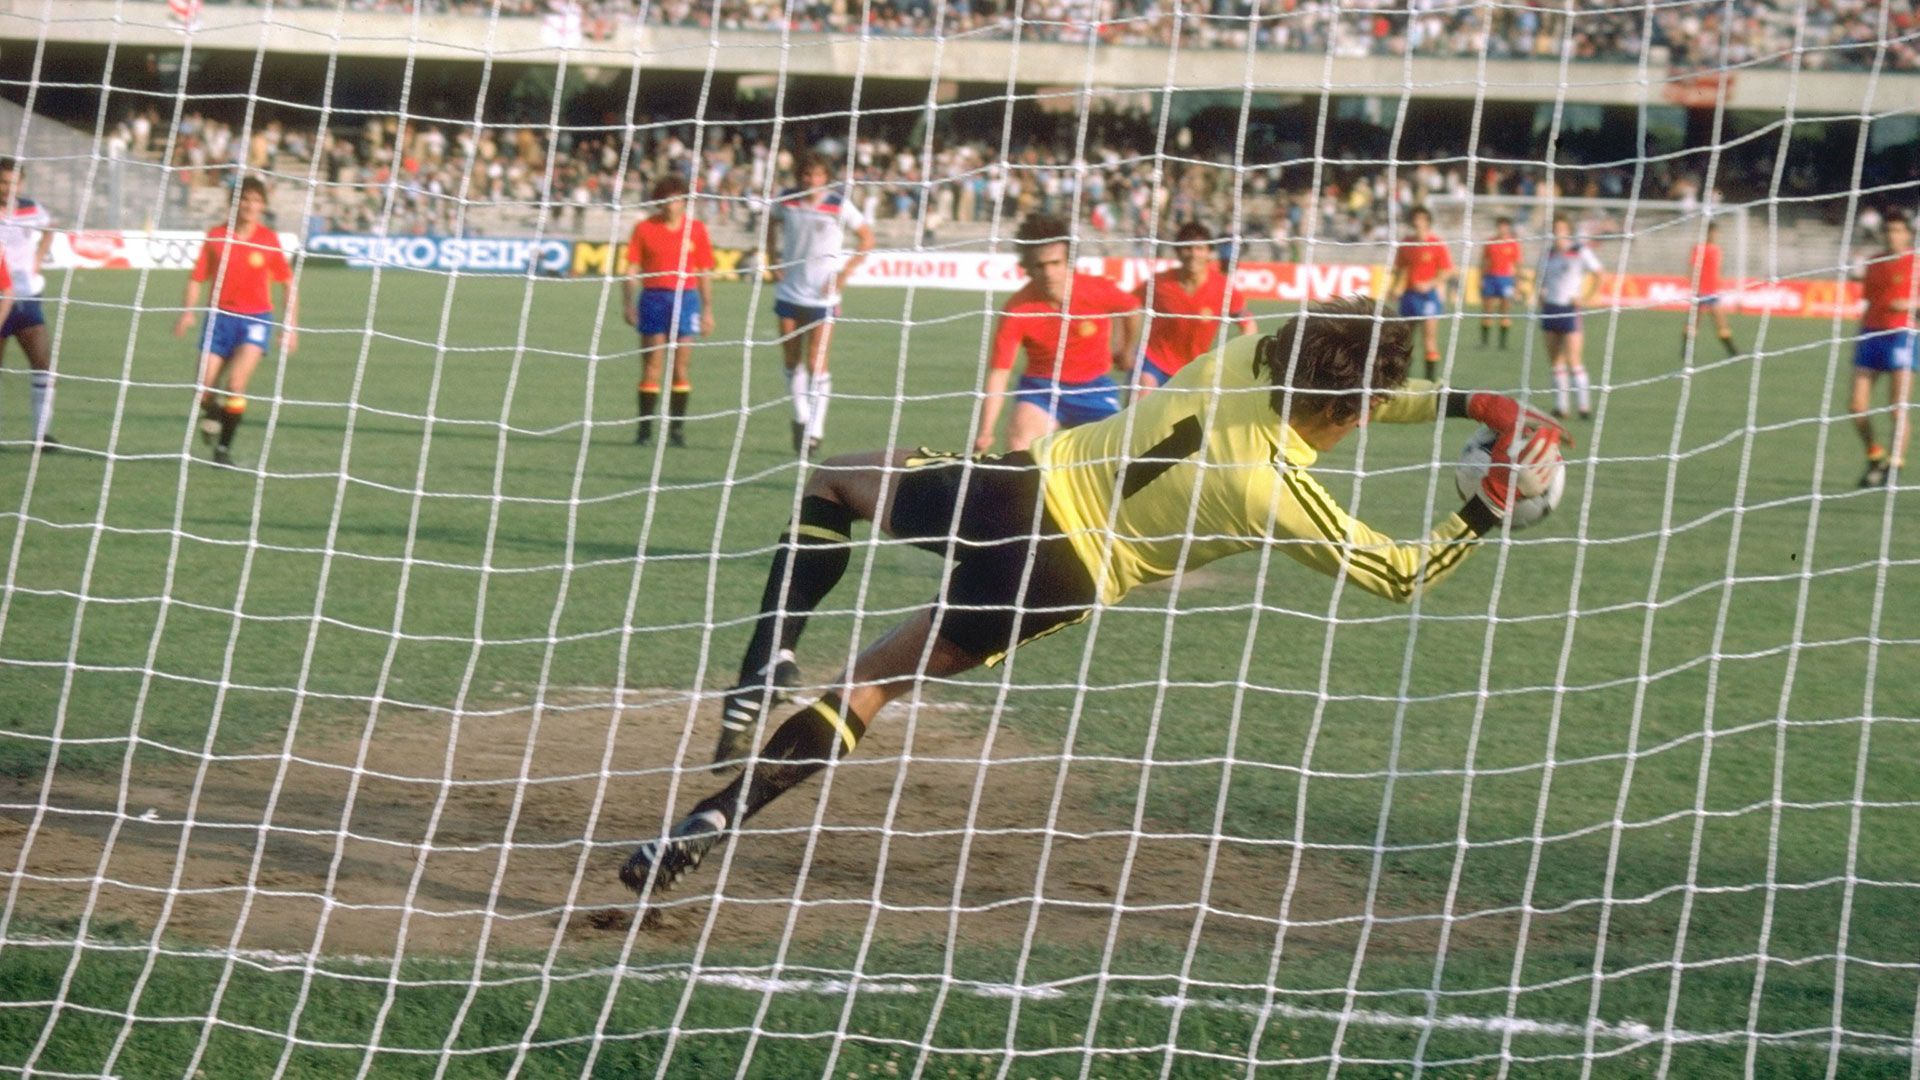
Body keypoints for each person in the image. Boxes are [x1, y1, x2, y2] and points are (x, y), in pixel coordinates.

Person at [624, 297, 1567, 894]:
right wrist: (1485, 499)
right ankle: (709, 822)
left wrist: (1470, 401)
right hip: (1058, 581)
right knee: (872, 687)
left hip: (1014, 494)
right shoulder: (1279, 489)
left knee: (835, 483)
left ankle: (765, 658)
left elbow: (1364, 387)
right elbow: (1401, 572)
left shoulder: (1242, 356)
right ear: (1352, 411)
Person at [972, 214, 1143, 454]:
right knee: (1020, 448)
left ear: (1068, 262)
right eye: (1040, 266)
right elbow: (999, 374)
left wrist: (1125, 349)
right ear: (1027, 269)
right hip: (1041, 390)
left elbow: (1131, 309)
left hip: (1093, 387)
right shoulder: (1017, 309)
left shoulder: (1096, 289)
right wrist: (985, 430)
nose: (1049, 273)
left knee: (1115, 454)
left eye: (1055, 263)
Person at [172, 176, 296, 467]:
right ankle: (214, 413)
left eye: (257, 201)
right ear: (234, 203)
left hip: (255, 320)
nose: (252, 206)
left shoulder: (268, 239)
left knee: (236, 382)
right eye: (246, 199)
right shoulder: (216, 236)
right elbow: (196, 278)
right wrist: (188, 312)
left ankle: (223, 450)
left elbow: (288, 284)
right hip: (219, 319)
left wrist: (289, 325)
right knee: (202, 391)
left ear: (263, 205)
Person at [766, 150, 874, 457]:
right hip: (789, 291)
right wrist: (771, 258)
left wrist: (845, 273)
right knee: (790, 358)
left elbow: (867, 238)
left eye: (817, 175)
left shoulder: (838, 204)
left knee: (816, 360)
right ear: (800, 175)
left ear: (826, 178)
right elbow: (768, 226)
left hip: (822, 295)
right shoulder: (786, 200)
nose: (811, 180)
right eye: (806, 174)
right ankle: (800, 416)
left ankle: (815, 429)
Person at [623, 174, 714, 448]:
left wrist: (708, 309)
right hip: (653, 299)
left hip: (686, 301)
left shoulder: (696, 230)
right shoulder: (644, 229)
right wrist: (627, 302)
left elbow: (705, 272)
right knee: (651, 367)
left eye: (677, 198)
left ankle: (676, 430)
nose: (672, 204)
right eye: (666, 199)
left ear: (684, 201)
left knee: (681, 367)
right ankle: (644, 430)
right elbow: (630, 270)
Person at [1134, 221, 1255, 392]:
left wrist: (1240, 359)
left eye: (1199, 248)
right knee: (1142, 399)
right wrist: (1125, 347)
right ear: (1177, 252)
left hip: (1193, 370)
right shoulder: (1159, 283)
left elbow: (1248, 324)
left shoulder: (1222, 288)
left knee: (1186, 419)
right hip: (1154, 360)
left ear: (1209, 253)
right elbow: (1127, 305)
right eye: (1187, 248)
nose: (1193, 254)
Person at [1850, 213, 1914, 488]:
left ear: (1908, 234)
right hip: (1871, 334)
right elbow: (1868, 300)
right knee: (1856, 407)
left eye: (1898, 230)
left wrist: (1912, 305)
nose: (1893, 235)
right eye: (1889, 230)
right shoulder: (1874, 262)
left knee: (1897, 409)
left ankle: (1895, 465)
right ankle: (1875, 455)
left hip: (1902, 335)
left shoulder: (1917, 262)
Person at [0, 158, 59, 450]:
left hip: (26, 298)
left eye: (13, 182)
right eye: (3, 182)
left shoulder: (31, 208)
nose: (8, 188)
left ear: (21, 184)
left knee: (43, 365)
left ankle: (41, 436)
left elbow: (51, 228)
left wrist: (37, 259)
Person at [1536, 215, 1602, 421]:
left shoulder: (1579, 251)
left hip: (1570, 309)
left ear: (1568, 230)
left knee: (1574, 360)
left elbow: (1599, 273)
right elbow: (1541, 280)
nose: (1558, 233)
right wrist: (1540, 294)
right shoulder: (1548, 255)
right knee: (1555, 361)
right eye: (1555, 229)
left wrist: (1588, 297)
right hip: (1550, 308)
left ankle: (1584, 406)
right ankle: (1561, 407)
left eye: (1562, 228)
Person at [1389, 206, 1455, 380]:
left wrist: (1430, 284)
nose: (1418, 222)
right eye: (1416, 218)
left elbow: (1447, 271)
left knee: (1429, 340)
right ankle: (1404, 379)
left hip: (1428, 297)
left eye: (1422, 219)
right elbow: (1400, 269)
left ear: (1428, 222)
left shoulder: (1437, 244)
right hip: (1409, 296)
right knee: (1405, 340)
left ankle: (1430, 381)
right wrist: (1395, 287)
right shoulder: (1406, 243)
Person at [1682, 221, 1741, 360]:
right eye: (1713, 232)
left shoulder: (1717, 249)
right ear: (1707, 233)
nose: (1716, 235)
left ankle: (1732, 351)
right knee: (1695, 323)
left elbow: (1716, 271)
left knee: (1720, 322)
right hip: (1702, 291)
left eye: (1717, 233)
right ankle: (1686, 351)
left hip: (1713, 291)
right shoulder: (1699, 249)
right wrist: (1694, 286)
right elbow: (1692, 269)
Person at [1478, 216, 1522, 351]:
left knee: (1505, 310)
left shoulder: (1513, 244)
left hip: (1506, 279)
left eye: (1505, 226)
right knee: (1488, 310)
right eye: (1500, 225)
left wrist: (1517, 285)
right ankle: (1485, 342)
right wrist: (1481, 279)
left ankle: (1503, 343)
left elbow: (1517, 265)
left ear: (1508, 228)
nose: (1502, 228)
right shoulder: (1490, 242)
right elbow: (1484, 262)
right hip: (1490, 278)